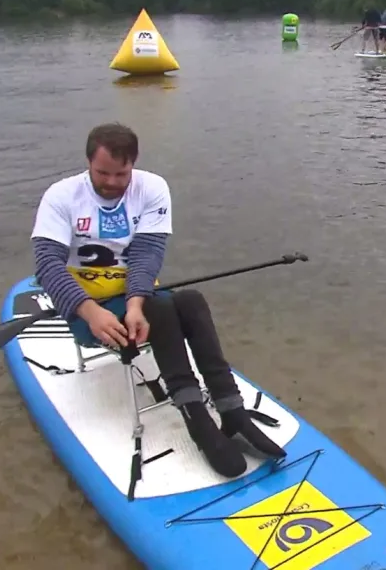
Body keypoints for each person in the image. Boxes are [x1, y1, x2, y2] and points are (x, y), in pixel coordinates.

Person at [30, 123, 286, 479]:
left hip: (137, 299)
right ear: (88, 162)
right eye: (102, 172)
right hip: (87, 309)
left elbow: (148, 254)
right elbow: (46, 266)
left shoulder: (152, 188)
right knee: (163, 307)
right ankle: (197, 419)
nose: (112, 182)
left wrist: (134, 302)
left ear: (133, 164)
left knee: (191, 300)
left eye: (121, 173)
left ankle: (232, 411)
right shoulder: (61, 197)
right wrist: (90, 313)